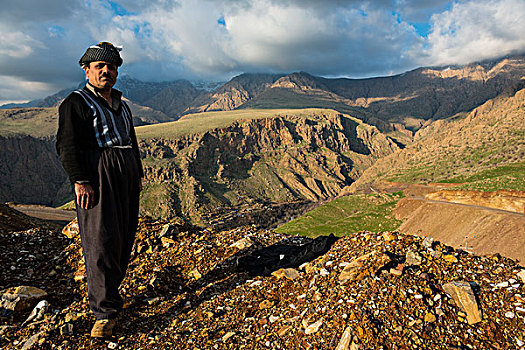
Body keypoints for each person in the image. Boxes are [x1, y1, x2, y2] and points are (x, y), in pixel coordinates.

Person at [56, 42, 143, 338]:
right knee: (100, 239)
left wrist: (137, 176)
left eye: (112, 67)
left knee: (123, 236)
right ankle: (103, 312)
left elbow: (131, 143)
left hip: (126, 174)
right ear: (87, 70)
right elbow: (67, 145)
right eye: (100, 67)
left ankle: (113, 296)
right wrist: (81, 180)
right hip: (99, 175)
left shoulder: (122, 104)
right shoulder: (76, 103)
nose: (107, 71)